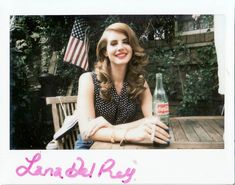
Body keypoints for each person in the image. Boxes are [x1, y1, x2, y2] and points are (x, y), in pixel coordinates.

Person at [75, 22, 170, 149]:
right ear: (105, 52)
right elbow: (86, 131)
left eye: (125, 42)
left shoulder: (139, 82)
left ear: (132, 47)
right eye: (114, 44)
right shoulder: (88, 80)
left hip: (126, 146)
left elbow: (154, 120)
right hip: (90, 147)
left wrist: (112, 128)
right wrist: (130, 133)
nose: (120, 47)